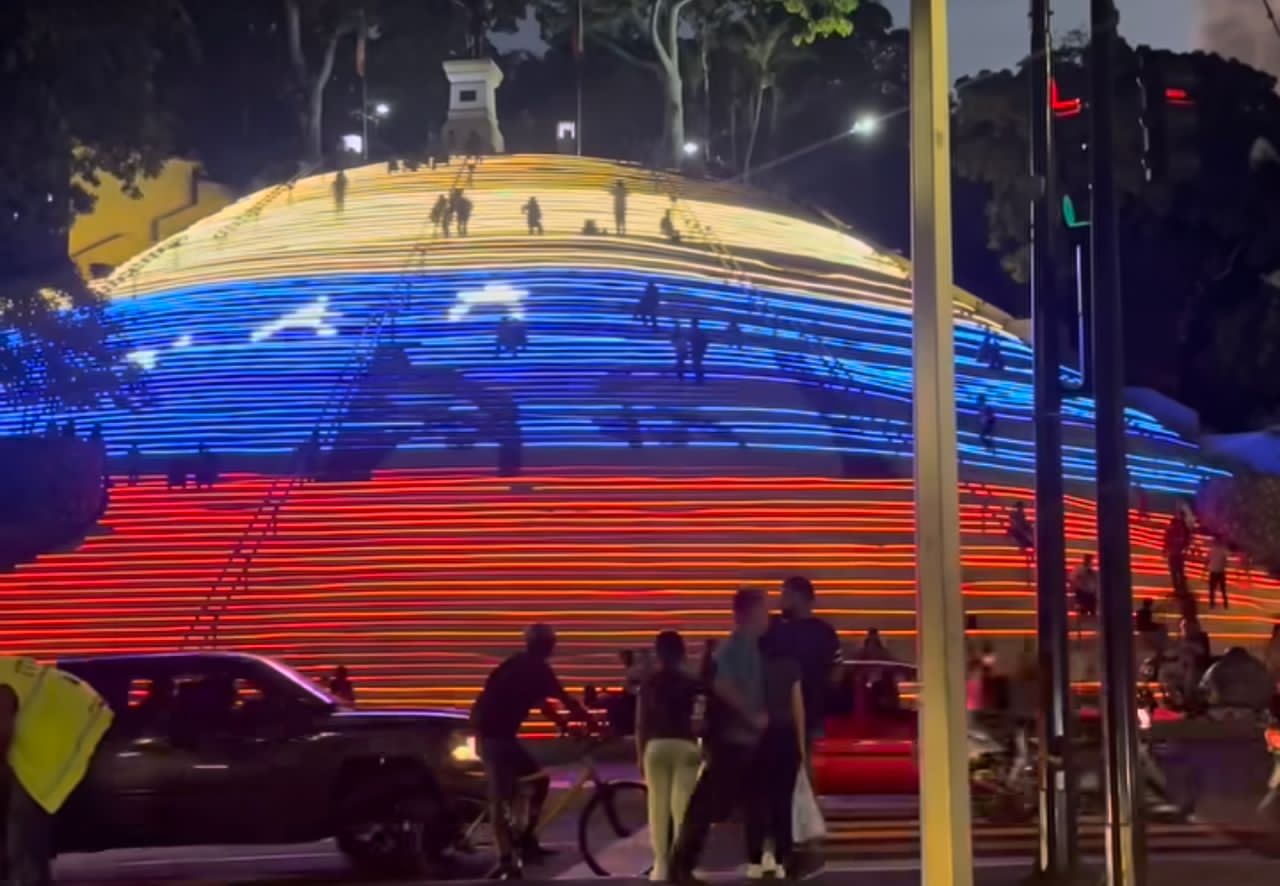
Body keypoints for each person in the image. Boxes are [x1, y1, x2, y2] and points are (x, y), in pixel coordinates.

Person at [470, 624, 592, 879]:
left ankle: (526, 840)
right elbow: (565, 699)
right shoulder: (537, 669)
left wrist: (562, 724)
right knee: (500, 797)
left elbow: (542, 703)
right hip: (492, 735)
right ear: (547, 645)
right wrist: (592, 724)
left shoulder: (519, 664)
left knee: (539, 781)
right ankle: (505, 858)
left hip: (497, 733)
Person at [669, 589, 770, 886]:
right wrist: (752, 716)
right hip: (731, 742)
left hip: (747, 742)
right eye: (764, 610)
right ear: (750, 613)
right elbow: (722, 685)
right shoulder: (733, 648)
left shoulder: (752, 648)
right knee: (705, 805)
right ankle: (680, 868)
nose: (768, 617)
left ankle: (761, 862)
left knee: (754, 804)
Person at [0, 656, 115, 886]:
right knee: (24, 833)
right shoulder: (6, 670)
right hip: (65, 729)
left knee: (22, 833)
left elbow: (1, 736)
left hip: (57, 741)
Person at [636, 631, 704, 883]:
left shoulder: (649, 683)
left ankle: (660, 867)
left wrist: (639, 753)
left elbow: (640, 722)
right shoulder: (691, 682)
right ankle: (681, 865)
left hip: (655, 747)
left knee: (657, 807)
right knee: (682, 808)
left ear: (659, 653)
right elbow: (700, 717)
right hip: (684, 745)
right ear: (682, 653)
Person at [746, 632, 806, 880]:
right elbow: (797, 706)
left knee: (756, 801)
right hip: (784, 737)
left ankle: (755, 860)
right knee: (783, 802)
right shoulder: (791, 667)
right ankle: (781, 859)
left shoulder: (752, 665)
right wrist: (801, 747)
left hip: (756, 737)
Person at [1163, 511, 1192, 598]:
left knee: (1176, 572)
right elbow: (1186, 540)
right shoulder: (1180, 529)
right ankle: (1180, 589)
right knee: (1178, 572)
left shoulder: (1177, 530)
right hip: (1177, 553)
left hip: (1175, 554)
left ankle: (1179, 589)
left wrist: (1165, 549)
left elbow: (1167, 541)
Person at [1070, 553, 1099, 618]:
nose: (1090, 560)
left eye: (1091, 559)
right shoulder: (1079, 569)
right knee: (1083, 612)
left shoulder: (1093, 571)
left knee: (1092, 612)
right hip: (1082, 593)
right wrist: (1078, 586)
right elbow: (1072, 579)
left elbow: (1095, 583)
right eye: (1089, 559)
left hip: (1091, 594)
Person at [1206, 537, 1229, 610]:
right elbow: (1225, 560)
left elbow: (1207, 560)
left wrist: (1204, 571)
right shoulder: (1223, 550)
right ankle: (1225, 603)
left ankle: (1212, 604)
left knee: (1212, 589)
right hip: (1220, 571)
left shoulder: (1211, 550)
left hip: (1213, 571)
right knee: (1223, 589)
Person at [689, 319, 709, 384]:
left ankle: (699, 379)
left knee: (697, 365)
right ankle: (699, 379)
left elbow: (705, 341)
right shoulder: (698, 332)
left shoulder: (697, 332)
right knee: (697, 365)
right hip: (697, 351)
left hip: (697, 351)